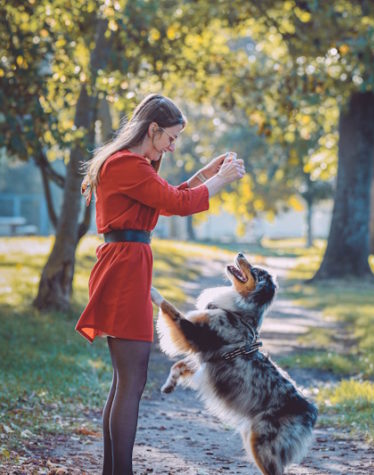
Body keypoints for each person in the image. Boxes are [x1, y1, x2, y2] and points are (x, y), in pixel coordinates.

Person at [75, 93, 245, 475]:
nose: (171, 145)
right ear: (152, 129)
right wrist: (220, 180)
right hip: (123, 272)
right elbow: (177, 204)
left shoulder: (132, 166)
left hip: (127, 268)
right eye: (170, 137)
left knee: (126, 381)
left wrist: (206, 175)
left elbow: (166, 199)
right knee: (131, 382)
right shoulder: (126, 165)